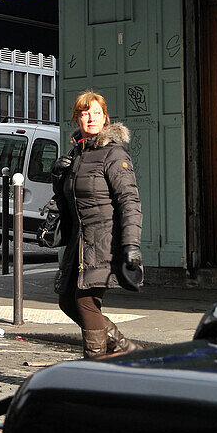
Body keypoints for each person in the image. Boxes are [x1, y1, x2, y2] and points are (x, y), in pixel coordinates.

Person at [52, 90, 143, 359]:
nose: (89, 118)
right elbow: (67, 200)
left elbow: (129, 201)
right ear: (76, 119)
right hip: (79, 242)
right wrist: (58, 175)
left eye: (95, 112)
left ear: (105, 117)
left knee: (85, 302)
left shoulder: (113, 154)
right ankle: (125, 349)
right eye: (83, 113)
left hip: (105, 241)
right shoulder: (77, 154)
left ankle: (95, 366)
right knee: (67, 300)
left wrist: (131, 245)